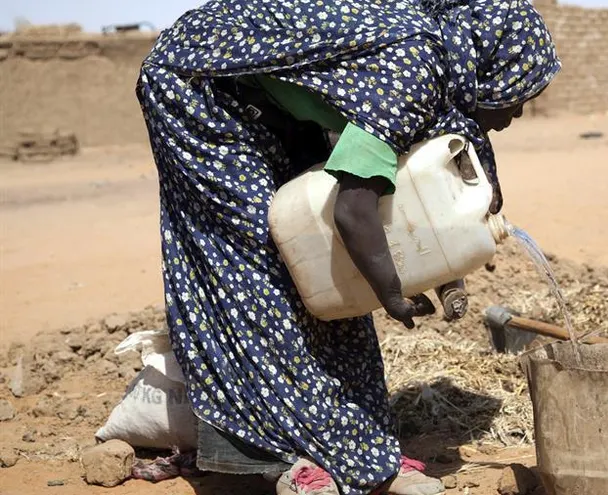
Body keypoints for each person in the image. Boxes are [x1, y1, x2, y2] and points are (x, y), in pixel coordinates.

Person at [136, 0, 560, 494]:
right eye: (517, 96)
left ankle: (351, 445)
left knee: (330, 267)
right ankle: (279, 458)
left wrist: (441, 266)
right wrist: (391, 292)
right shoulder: (416, 67)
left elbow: (409, 208)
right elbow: (354, 210)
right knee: (264, 265)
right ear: (488, 68)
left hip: (262, 98)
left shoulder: (438, 73)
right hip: (197, 85)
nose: (516, 114)